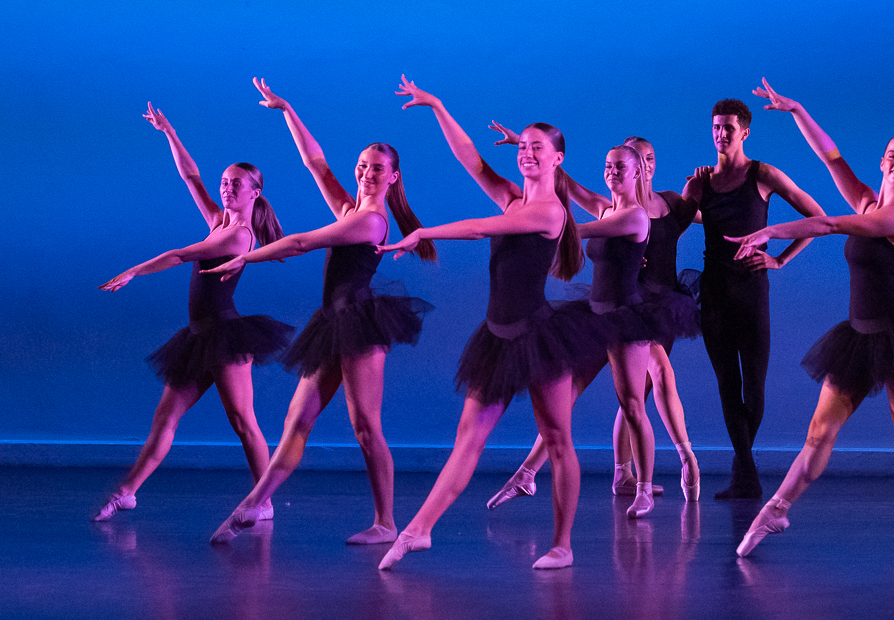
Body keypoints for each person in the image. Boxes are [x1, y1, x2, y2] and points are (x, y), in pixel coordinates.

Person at [376, 76, 610, 570]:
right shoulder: (513, 198)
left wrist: (422, 232)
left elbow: (480, 228)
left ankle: (562, 545)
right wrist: (437, 105)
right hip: (497, 338)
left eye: (537, 147)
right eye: (523, 146)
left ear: (558, 159)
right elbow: (472, 161)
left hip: (538, 337)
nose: (527, 153)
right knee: (468, 440)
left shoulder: (549, 212)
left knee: (558, 441)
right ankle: (418, 530)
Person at [733, 78, 894, 558]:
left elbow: (829, 223)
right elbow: (832, 158)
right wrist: (797, 110)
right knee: (818, 433)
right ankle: (775, 511)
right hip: (859, 338)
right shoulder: (869, 203)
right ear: (883, 161)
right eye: (893, 155)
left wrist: (771, 232)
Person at [207, 78, 436, 545]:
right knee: (297, 420)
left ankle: (386, 523)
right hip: (332, 323)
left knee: (366, 427)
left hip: (361, 324)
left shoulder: (370, 221)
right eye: (362, 166)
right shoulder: (350, 209)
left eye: (377, 169)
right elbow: (315, 163)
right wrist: (287, 110)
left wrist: (245, 257)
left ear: (393, 177)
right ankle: (254, 504)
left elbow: (300, 242)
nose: (366, 173)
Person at [94, 103, 293, 521]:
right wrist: (169, 131)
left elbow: (182, 254)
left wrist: (134, 271)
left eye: (236, 184)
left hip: (226, 335)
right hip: (199, 336)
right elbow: (191, 176)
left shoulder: (239, 236)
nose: (227, 188)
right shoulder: (219, 221)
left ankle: (264, 501)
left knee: (243, 420)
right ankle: (127, 492)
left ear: (255, 193)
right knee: (165, 418)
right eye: (224, 182)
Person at [486, 130, 702, 507]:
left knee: (641, 395)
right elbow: (572, 189)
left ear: (640, 170)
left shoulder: (646, 211)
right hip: (598, 311)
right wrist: (533, 151)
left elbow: (576, 230)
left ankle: (666, 473)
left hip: (638, 313)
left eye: (628, 164)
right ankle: (529, 474)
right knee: (567, 392)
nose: (614, 171)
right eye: (610, 166)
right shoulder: (607, 208)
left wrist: (538, 226)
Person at [682, 98, 826, 499]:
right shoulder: (701, 183)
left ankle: (743, 470)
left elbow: (816, 218)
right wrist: (687, 193)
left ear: (745, 132)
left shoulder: (763, 174)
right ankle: (746, 473)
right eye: (716, 127)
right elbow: (675, 224)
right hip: (714, 293)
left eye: (729, 128)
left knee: (754, 390)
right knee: (727, 386)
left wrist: (779, 259)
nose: (721, 134)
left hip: (751, 291)